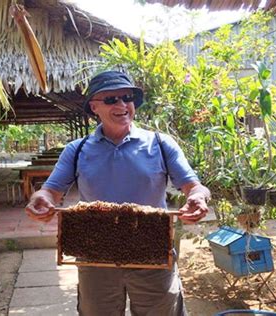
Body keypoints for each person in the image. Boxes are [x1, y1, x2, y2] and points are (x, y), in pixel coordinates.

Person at [26, 70, 211, 316]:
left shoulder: (161, 144)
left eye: (127, 97)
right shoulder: (76, 149)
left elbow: (194, 186)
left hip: (153, 254)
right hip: (95, 256)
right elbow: (51, 192)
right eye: (112, 100)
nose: (122, 105)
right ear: (94, 107)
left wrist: (197, 197)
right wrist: (41, 199)